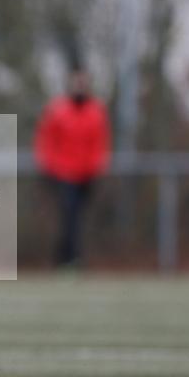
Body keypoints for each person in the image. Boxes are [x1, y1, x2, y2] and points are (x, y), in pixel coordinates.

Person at [34, 69, 110, 267]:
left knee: (77, 217)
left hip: (86, 175)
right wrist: (51, 166)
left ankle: (69, 257)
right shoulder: (57, 110)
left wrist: (96, 167)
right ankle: (69, 259)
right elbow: (46, 141)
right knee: (69, 216)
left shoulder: (95, 111)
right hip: (63, 174)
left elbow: (99, 143)